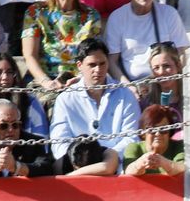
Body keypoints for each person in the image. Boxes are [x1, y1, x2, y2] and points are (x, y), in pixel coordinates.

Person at [49, 37, 140, 175]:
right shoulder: (65, 98)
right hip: (76, 167)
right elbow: (59, 142)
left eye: (102, 63)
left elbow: (132, 137)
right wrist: (79, 162)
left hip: (117, 168)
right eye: (92, 65)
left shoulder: (125, 95)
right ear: (79, 66)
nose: (98, 70)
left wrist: (108, 157)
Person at [21, 0, 102, 93]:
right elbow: (29, 55)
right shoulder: (35, 12)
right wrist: (46, 82)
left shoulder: (91, 15)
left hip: (80, 79)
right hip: (45, 79)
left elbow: (94, 55)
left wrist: (80, 79)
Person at [104, 0, 188, 84]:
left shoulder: (169, 14)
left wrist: (173, 81)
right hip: (133, 85)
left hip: (165, 82)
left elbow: (181, 52)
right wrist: (129, 88)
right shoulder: (117, 18)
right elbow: (112, 61)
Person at [0, 96, 56, 177]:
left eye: (15, 125)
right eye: (3, 126)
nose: (10, 130)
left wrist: (16, 167)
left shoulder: (33, 143)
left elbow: (46, 168)